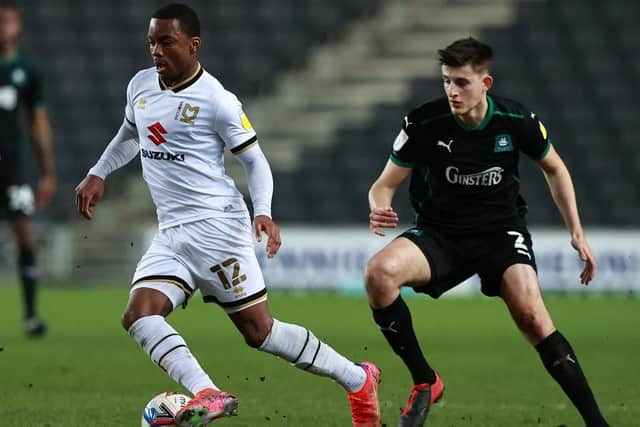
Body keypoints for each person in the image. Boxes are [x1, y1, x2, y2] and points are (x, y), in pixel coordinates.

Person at [74, 4, 380, 427]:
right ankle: (207, 392)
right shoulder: (141, 85)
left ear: (193, 45)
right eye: (151, 42)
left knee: (260, 333)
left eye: (166, 42)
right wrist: (98, 172)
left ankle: (357, 379)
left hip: (218, 230)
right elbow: (131, 133)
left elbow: (255, 162)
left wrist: (265, 213)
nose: (155, 51)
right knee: (139, 313)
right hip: (172, 233)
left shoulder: (217, 100)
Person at [365, 37, 609, 427]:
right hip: (440, 235)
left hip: (500, 232)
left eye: (461, 82)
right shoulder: (424, 122)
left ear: (486, 84)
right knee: (378, 274)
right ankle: (425, 380)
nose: (451, 91)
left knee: (532, 315)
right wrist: (379, 206)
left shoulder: (516, 121)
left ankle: (597, 423)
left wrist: (577, 233)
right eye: (446, 81)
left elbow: (556, 169)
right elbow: (383, 184)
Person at [0, 0, 56, 337]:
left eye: (8, 21)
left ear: (18, 26)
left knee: (24, 237)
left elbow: (38, 124)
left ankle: (31, 315)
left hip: (13, 168)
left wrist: (47, 171)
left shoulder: (27, 71)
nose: (3, 27)